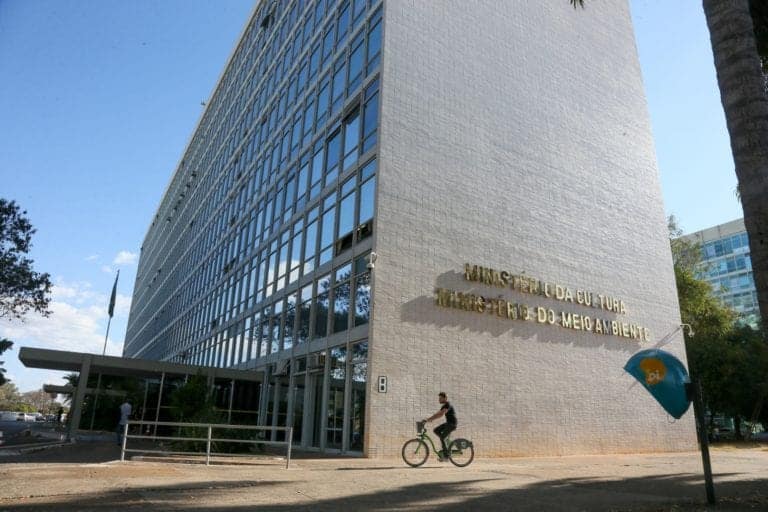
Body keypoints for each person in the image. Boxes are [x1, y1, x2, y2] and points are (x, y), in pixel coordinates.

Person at [424, 391, 457, 461]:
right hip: (448, 423)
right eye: (439, 398)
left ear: (445, 398)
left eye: (441, 398)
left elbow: (441, 414)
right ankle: (445, 444)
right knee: (436, 430)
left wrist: (429, 419)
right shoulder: (444, 406)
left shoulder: (448, 405)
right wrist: (429, 419)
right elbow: (437, 414)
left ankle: (446, 456)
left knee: (442, 437)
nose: (439, 399)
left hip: (452, 424)